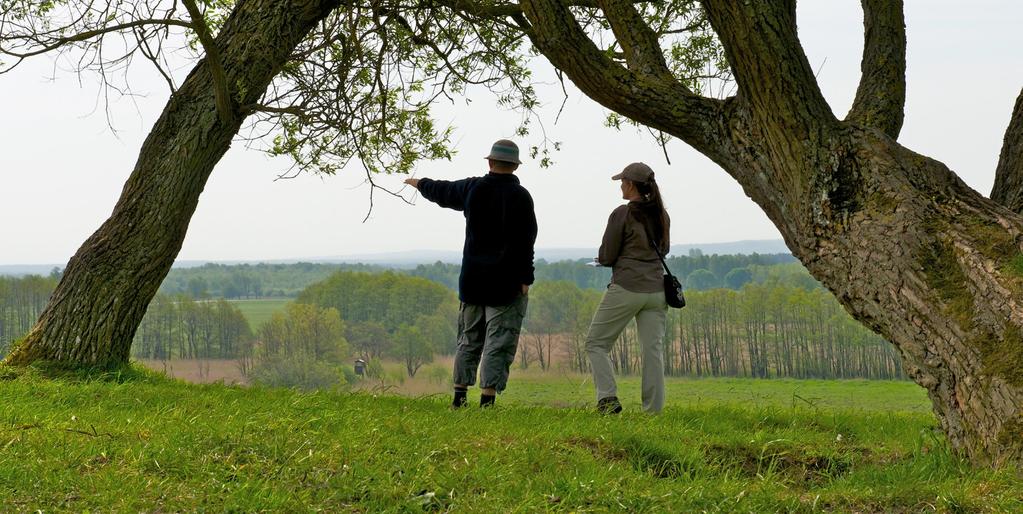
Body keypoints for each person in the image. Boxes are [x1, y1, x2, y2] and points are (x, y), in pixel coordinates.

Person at [403, 139, 537, 408]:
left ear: (490, 162)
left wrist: (418, 183)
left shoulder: (473, 188)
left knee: (468, 340)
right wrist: (526, 278)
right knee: (498, 342)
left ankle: (459, 397)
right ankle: (487, 401)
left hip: (472, 282)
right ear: (515, 165)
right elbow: (527, 240)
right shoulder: (521, 196)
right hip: (506, 284)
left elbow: (443, 191)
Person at [586, 162, 670, 414]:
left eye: (622, 181)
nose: (620, 186)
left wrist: (604, 259)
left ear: (631, 184)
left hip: (627, 287)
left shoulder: (622, 213)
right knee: (652, 351)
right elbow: (663, 250)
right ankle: (653, 411)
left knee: (596, 344)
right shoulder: (661, 215)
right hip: (657, 291)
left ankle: (608, 399)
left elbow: (608, 255)